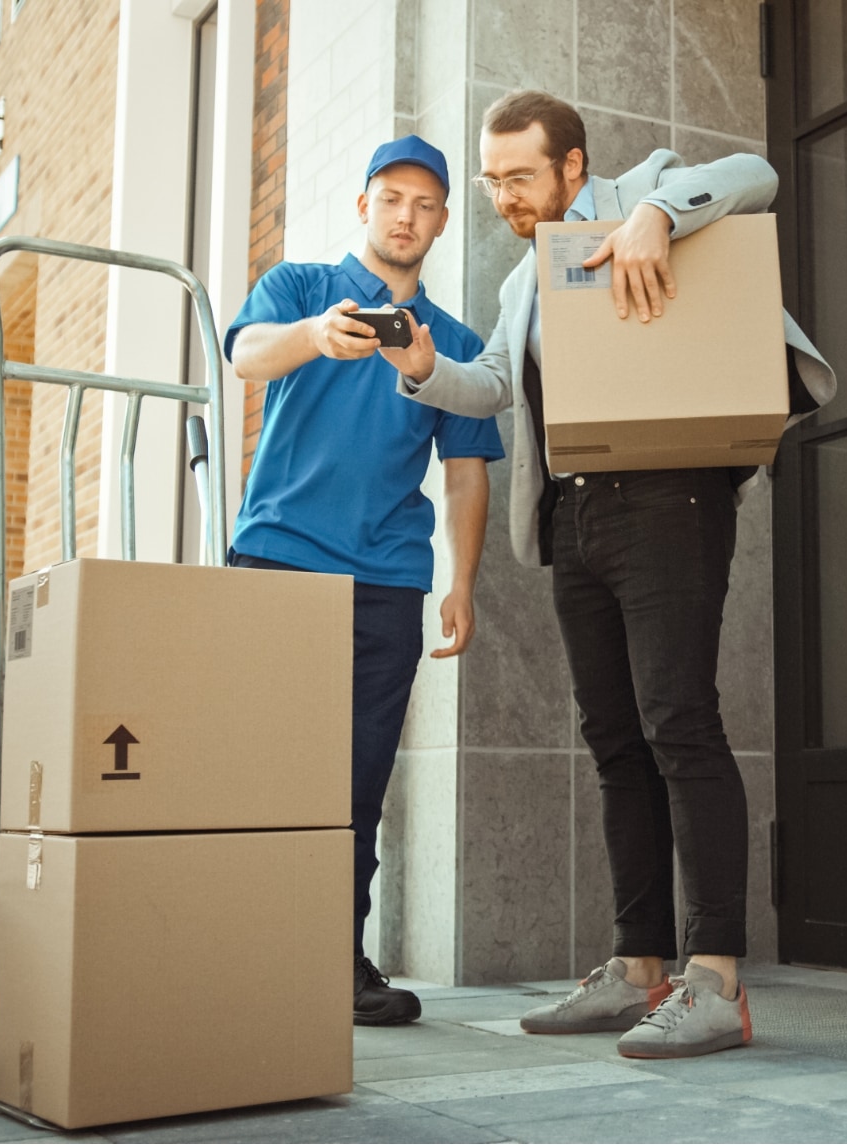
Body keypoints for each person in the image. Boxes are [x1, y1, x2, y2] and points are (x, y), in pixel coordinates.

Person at [382, 91, 836, 1058]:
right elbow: (491, 383)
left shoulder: (649, 189)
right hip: (575, 516)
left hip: (669, 499)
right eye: (492, 181)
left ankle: (716, 980)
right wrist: (423, 367)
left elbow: (756, 174)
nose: (503, 197)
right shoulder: (522, 280)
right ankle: (639, 968)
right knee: (615, 742)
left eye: (519, 176)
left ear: (573, 167)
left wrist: (656, 217)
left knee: (679, 721)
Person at [224, 135, 504, 1027]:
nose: (405, 216)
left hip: (385, 584)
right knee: (257, 768)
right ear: (363, 206)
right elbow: (244, 355)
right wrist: (316, 336)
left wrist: (462, 581)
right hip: (276, 560)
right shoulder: (301, 288)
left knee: (355, 784)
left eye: (424, 204)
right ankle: (239, 951)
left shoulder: (452, 342)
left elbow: (465, 473)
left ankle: (335, 962)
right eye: (391, 198)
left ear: (443, 222)